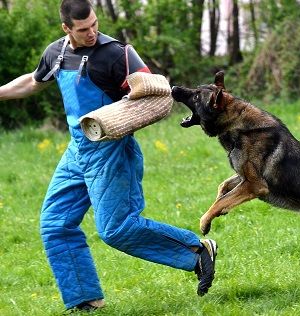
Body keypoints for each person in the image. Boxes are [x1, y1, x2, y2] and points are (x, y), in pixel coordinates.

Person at [0, 0, 218, 311]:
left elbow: (154, 89)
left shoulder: (117, 53)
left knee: (115, 229)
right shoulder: (56, 53)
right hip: (77, 150)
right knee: (55, 224)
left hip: (112, 150)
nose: (92, 33)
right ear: (66, 29)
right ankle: (85, 300)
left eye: (94, 24)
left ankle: (197, 251)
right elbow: (33, 82)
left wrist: (137, 90)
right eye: (83, 29)